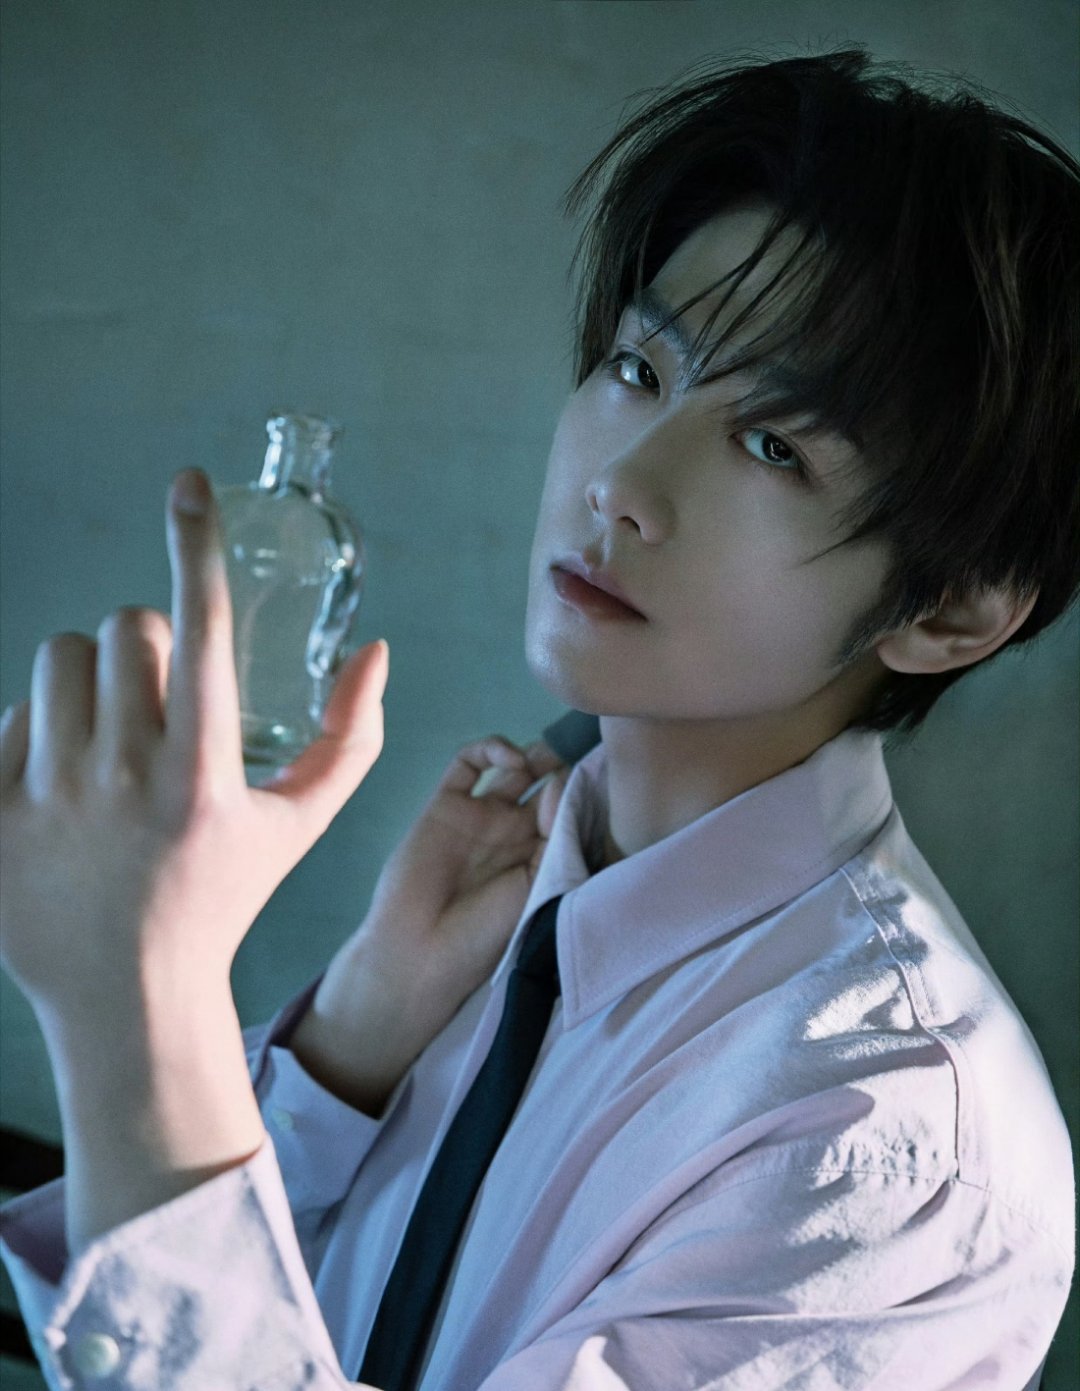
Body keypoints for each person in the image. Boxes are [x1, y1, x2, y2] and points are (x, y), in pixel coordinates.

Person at [0, 43, 1076, 1391]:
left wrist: (136, 1008)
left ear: (953, 613)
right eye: (638, 370)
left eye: (774, 446)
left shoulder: (881, 1148)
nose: (623, 481)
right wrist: (350, 1044)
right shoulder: (517, 887)